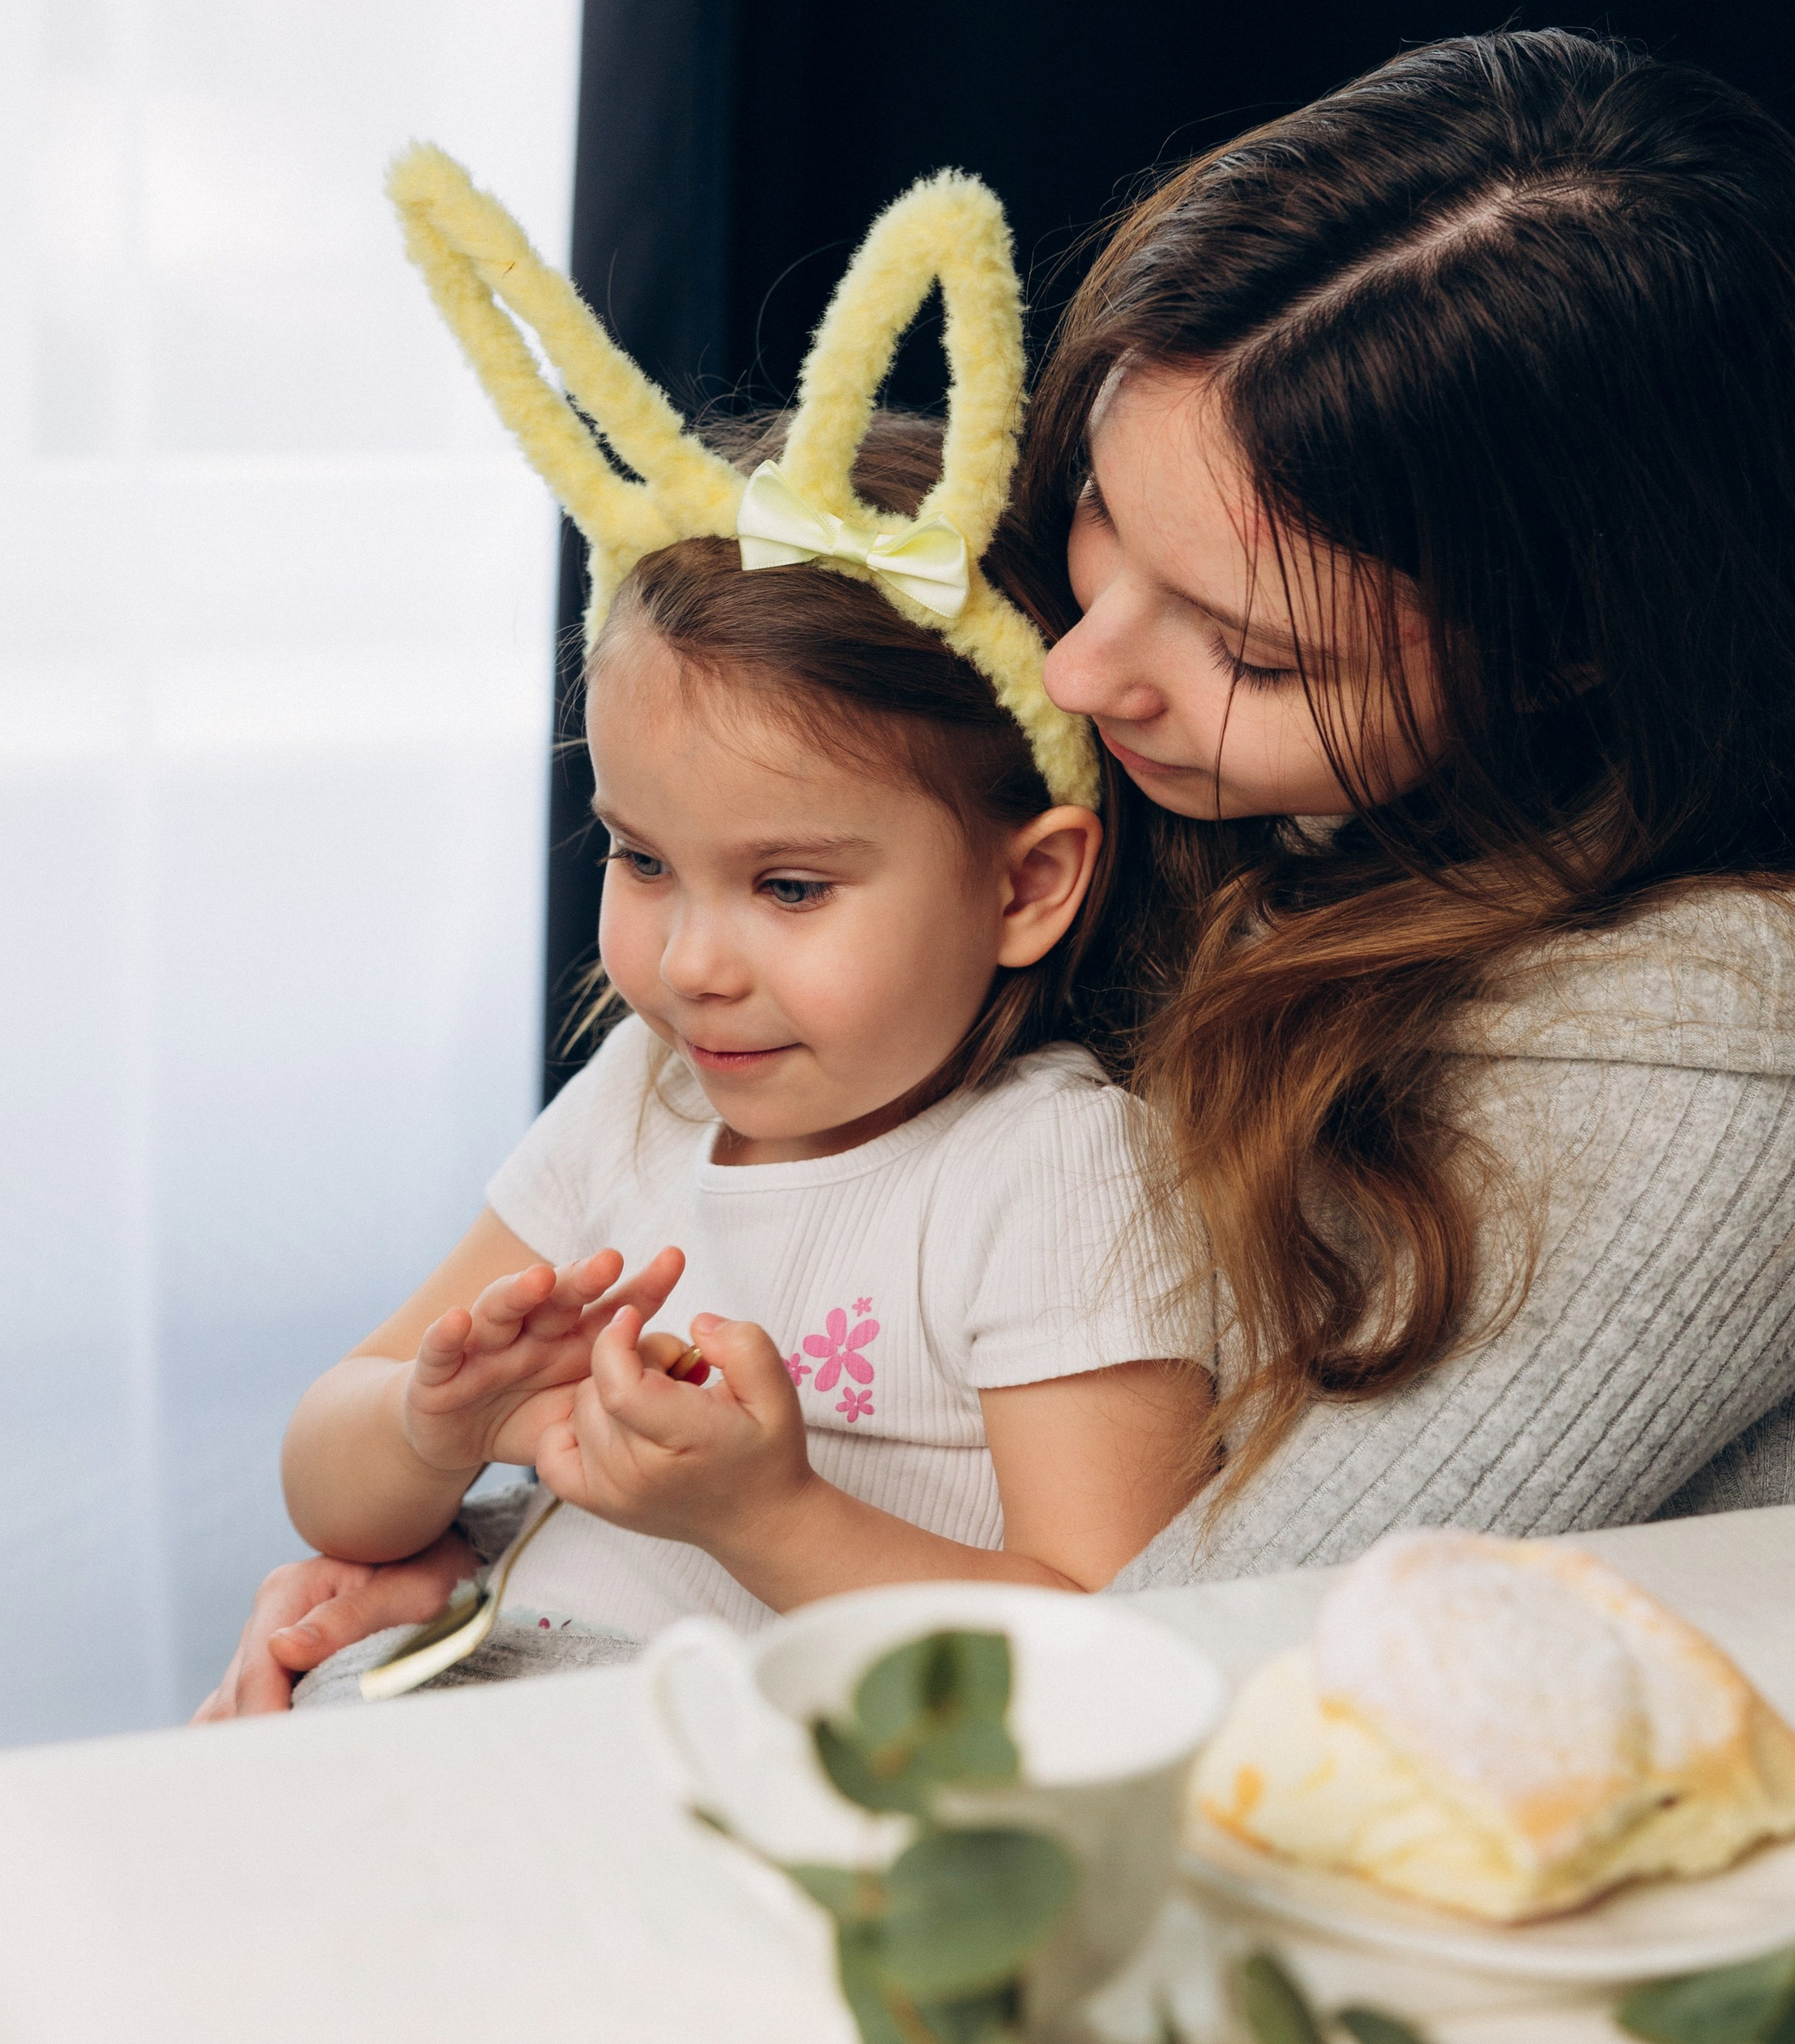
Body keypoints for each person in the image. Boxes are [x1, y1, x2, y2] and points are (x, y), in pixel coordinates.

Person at [203, 28, 1795, 1703]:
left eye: (1252, 651)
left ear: (1568, 653)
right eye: (1095, 522)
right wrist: (479, 1558)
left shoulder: (1742, 1085)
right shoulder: (1262, 820)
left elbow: (1201, 1668)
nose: (1073, 668)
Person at [204, 158, 1202, 1714]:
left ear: (1027, 886)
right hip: (478, 1715)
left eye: (791, 888)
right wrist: (440, 1424)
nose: (690, 964)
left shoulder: (1051, 1175)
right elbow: (328, 1478)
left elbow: (1107, 1635)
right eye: (643, 858)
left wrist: (769, 1517)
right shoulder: (645, 1100)